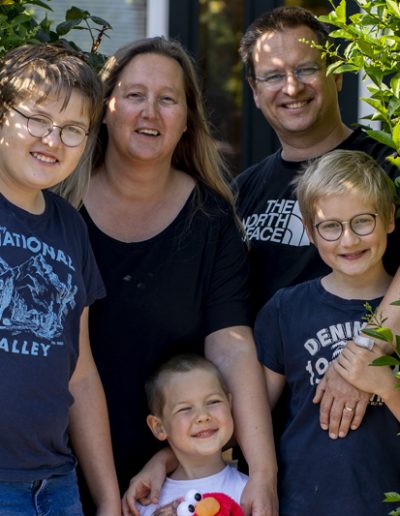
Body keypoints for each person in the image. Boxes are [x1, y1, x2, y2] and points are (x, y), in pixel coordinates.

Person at [79, 37, 277, 515]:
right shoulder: (59, 207)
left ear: (187, 120)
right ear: (105, 108)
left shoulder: (211, 219)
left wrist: (263, 474)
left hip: (175, 485)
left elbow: (231, 344)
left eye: (168, 99)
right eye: (134, 95)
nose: (150, 111)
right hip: (59, 472)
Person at [236, 5, 400, 440]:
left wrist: (367, 350)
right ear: (255, 91)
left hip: (379, 439)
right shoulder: (241, 193)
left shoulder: (386, 162)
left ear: (338, 75)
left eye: (306, 68)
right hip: (284, 449)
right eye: (272, 75)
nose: (291, 87)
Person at [0, 44, 120, 514]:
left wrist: (107, 498)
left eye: (72, 130)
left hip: (57, 486)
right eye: (37, 119)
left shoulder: (70, 227)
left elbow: (82, 374)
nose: (53, 140)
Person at [255, 149, 400, 515]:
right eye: (331, 226)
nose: (348, 241)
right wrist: (168, 458)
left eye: (363, 221)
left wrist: (385, 385)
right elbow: (251, 412)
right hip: (303, 504)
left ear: (390, 219)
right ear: (309, 231)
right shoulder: (284, 310)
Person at [137, 354, 248, 516]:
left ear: (229, 405)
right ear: (159, 427)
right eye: (185, 409)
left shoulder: (249, 492)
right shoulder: (146, 503)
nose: (203, 416)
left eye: (213, 402)